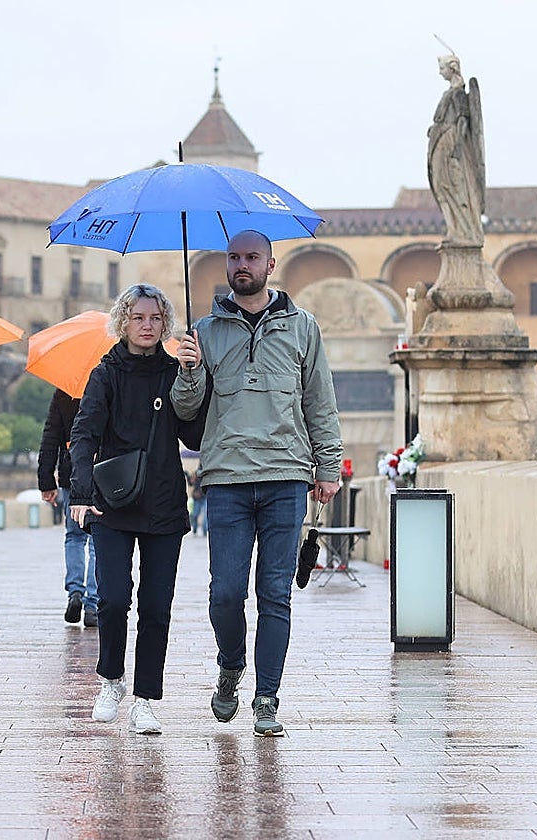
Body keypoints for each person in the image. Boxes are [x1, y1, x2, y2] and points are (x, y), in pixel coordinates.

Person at [172, 229, 343, 737]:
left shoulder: (302, 327)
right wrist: (187, 371)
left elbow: (320, 400)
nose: (241, 264)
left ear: (271, 264)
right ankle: (230, 664)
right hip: (225, 476)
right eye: (233, 257)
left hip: (286, 476)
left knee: (275, 594)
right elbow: (186, 413)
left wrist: (328, 466)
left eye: (251, 257)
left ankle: (266, 698)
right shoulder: (203, 331)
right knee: (225, 593)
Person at [69, 284, 191, 736]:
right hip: (112, 504)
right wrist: (80, 491)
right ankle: (111, 680)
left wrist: (196, 380)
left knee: (157, 607)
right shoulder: (106, 373)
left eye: (156, 318)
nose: (147, 326)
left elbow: (194, 435)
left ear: (166, 323)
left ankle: (145, 699)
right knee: (114, 598)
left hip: (163, 501)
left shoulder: (176, 371)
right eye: (138, 317)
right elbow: (83, 434)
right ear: (123, 321)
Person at [37, 388, 98, 627]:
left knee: (74, 536)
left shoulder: (65, 391)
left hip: (70, 474)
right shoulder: (111, 381)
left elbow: (50, 436)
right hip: (103, 471)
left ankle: (75, 591)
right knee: (97, 541)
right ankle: (93, 603)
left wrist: (46, 481)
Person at [427, 53, 485, 247]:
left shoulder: (459, 92)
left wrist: (458, 146)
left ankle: (462, 229)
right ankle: (452, 228)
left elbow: (462, 119)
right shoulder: (449, 92)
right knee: (440, 184)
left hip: (450, 141)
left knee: (453, 186)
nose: (439, 72)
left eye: (442, 68)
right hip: (440, 139)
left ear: (451, 69)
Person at [188, 468, 208, 536]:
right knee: (195, 514)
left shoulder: (207, 472)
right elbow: (190, 483)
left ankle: (205, 531)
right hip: (197, 498)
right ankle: (195, 529)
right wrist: (189, 477)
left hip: (204, 496)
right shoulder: (196, 474)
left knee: (205, 515)